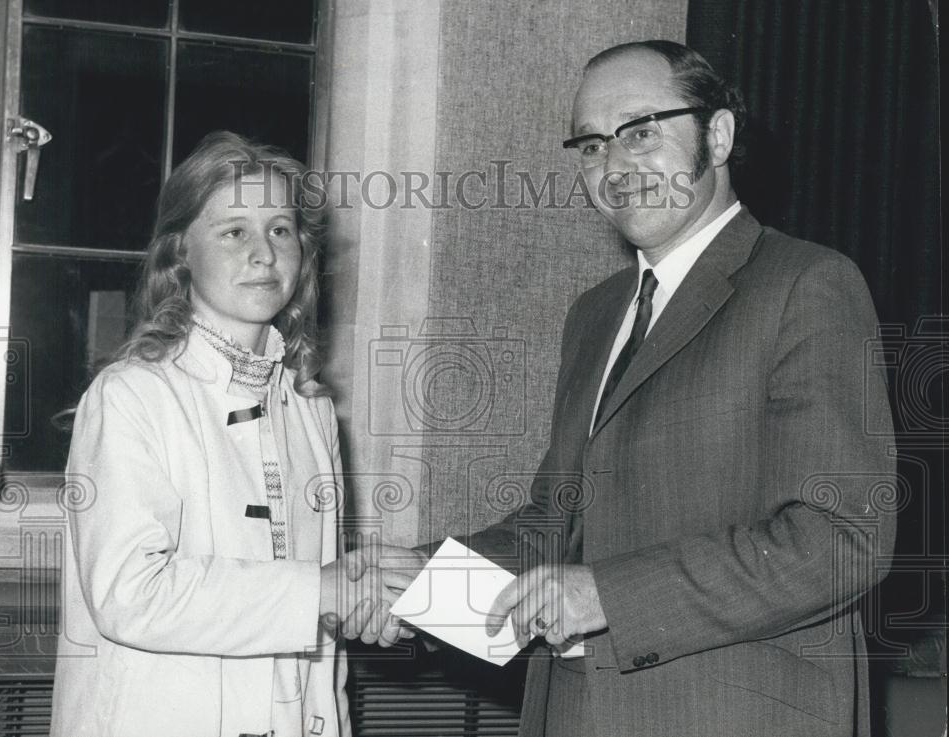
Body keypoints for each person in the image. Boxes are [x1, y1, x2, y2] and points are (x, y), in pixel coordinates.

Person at [357, 40, 897, 737]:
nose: (614, 167)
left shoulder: (806, 283)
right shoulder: (595, 314)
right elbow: (557, 524)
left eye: (640, 132)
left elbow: (842, 538)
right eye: (591, 146)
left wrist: (608, 596)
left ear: (718, 136)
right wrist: (421, 587)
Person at [50, 131, 408, 737]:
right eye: (234, 231)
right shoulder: (132, 395)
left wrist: (355, 594)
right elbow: (130, 593)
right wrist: (320, 592)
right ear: (180, 253)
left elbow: (319, 639)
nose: (264, 253)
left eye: (280, 229)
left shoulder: (310, 407)